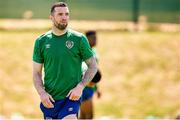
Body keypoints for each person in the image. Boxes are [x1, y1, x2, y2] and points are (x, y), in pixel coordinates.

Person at [32, 2, 97, 119]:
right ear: (51, 17)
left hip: (71, 98)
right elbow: (36, 73)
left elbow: (93, 65)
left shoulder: (79, 39)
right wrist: (42, 93)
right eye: (60, 14)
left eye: (67, 14)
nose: (64, 17)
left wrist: (80, 86)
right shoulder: (41, 41)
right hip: (50, 100)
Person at [80, 31, 102, 119]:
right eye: (93, 38)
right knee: (88, 116)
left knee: (86, 116)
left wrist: (97, 88)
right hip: (84, 87)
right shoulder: (83, 52)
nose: (95, 40)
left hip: (90, 86)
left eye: (96, 38)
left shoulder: (94, 51)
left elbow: (95, 73)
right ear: (87, 39)